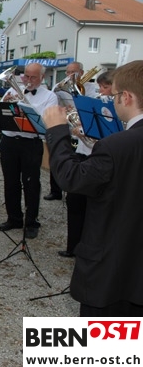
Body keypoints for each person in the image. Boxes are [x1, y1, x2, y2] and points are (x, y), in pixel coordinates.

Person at [42, 60, 143, 317]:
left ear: (127, 97)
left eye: (115, 95)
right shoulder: (117, 145)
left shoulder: (116, 145)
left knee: (106, 341)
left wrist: (57, 131)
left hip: (114, 274)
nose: (113, 101)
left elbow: (71, 178)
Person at [0, 62, 58, 239]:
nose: (28, 80)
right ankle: (14, 218)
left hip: (31, 142)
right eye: (26, 76)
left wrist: (24, 103)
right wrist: (5, 103)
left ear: (42, 78)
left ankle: (31, 222)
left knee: (31, 183)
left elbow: (45, 120)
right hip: (9, 140)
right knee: (10, 181)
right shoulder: (12, 90)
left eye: (33, 77)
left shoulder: (50, 96)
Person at [57, 70, 113, 258]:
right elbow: (79, 127)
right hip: (82, 154)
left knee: (94, 207)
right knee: (74, 202)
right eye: (100, 87)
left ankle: (91, 248)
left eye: (105, 87)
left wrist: (84, 132)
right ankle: (73, 246)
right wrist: (76, 127)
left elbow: (108, 136)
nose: (101, 91)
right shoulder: (92, 103)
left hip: (98, 158)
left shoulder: (113, 109)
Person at [44, 61, 85, 201]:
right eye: (68, 72)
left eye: (73, 72)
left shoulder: (89, 88)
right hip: (66, 127)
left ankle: (73, 191)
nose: (69, 75)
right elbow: (54, 105)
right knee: (58, 157)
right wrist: (63, 110)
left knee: (75, 160)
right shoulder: (59, 87)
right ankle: (55, 191)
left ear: (81, 73)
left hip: (81, 131)